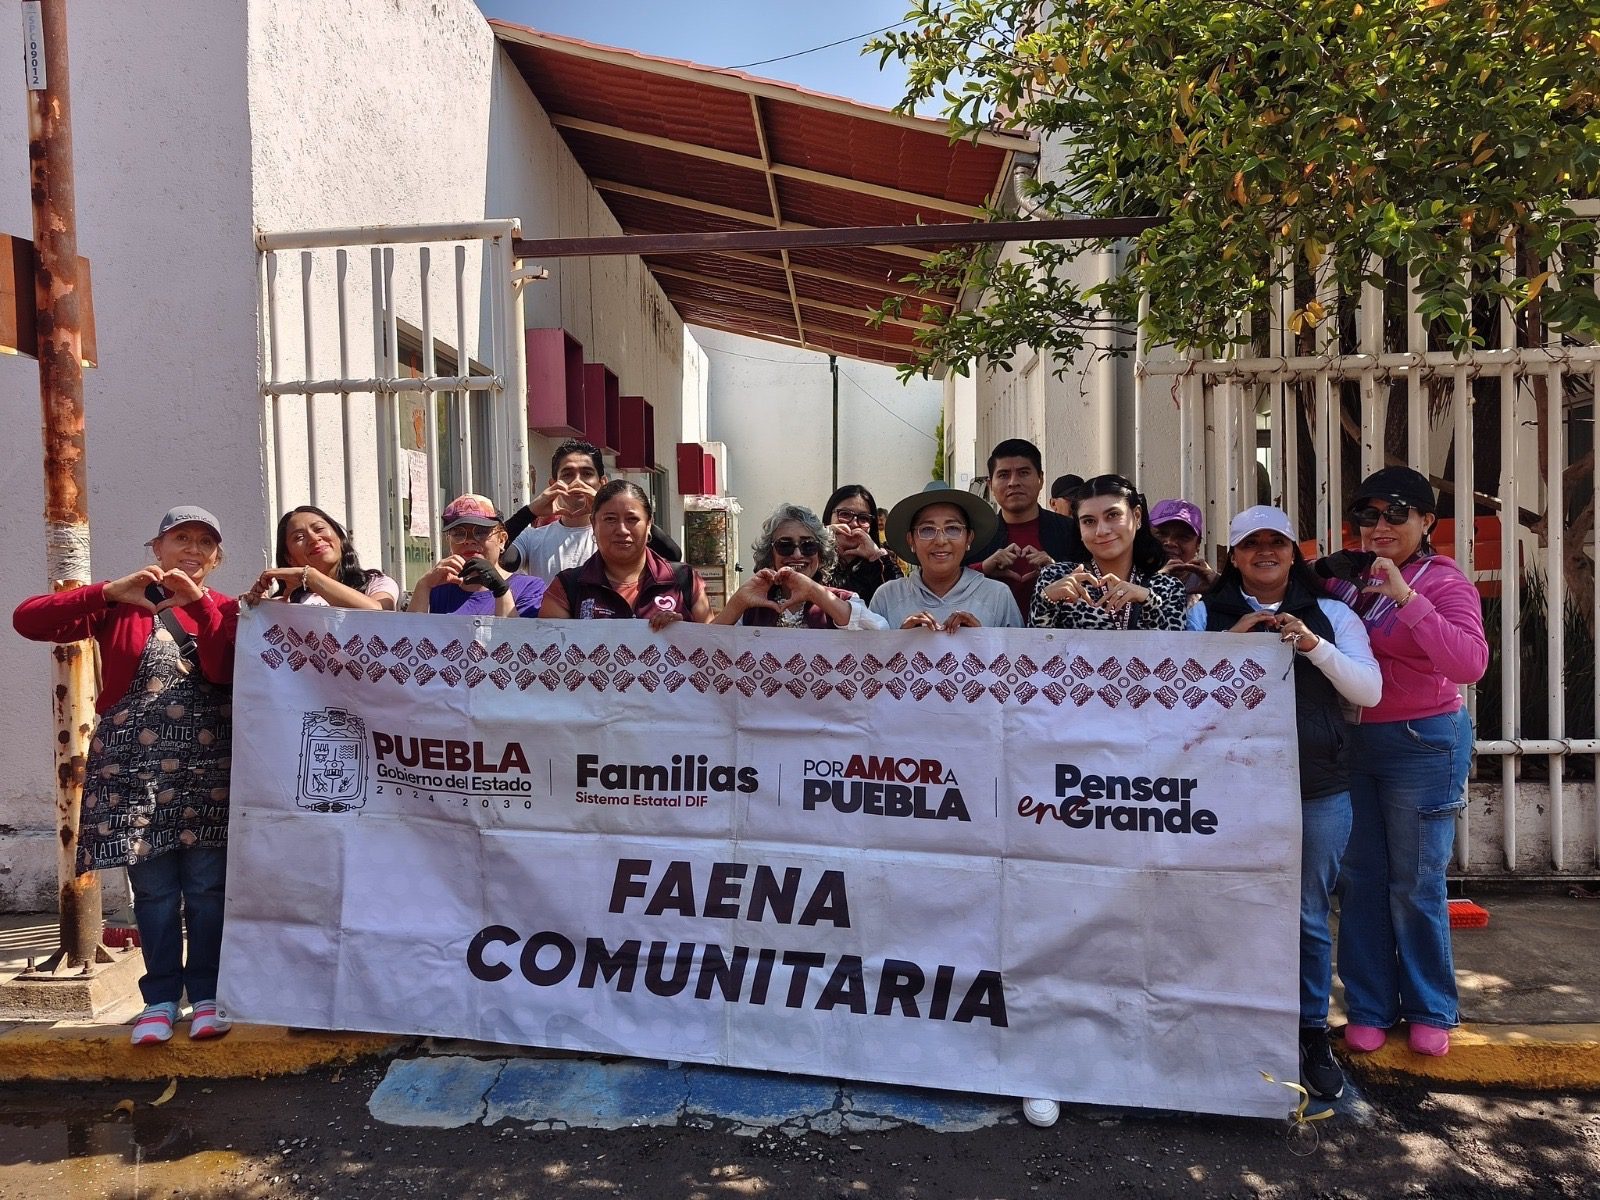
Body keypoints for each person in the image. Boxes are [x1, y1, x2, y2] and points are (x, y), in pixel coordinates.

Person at [13, 507, 238, 1046]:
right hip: (133, 773)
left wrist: (199, 605)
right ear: (156, 548)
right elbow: (29, 620)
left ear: (216, 558)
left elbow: (223, 668)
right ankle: (159, 1000)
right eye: (181, 538)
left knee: (208, 889)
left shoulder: (226, 608)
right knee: (154, 891)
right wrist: (109, 592)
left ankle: (207, 995)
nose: (193, 550)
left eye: (205, 542)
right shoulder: (121, 605)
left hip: (208, 771)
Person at [1186, 505, 1382, 1101]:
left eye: (1277, 542)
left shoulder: (1332, 613)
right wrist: (1230, 646)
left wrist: (1313, 645)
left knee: (1306, 914)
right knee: (1224, 905)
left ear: (1294, 552)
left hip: (1316, 786)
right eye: (1252, 544)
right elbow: (1178, 694)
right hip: (1227, 789)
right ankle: (1230, 1023)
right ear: (1233, 556)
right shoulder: (1203, 613)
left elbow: (1369, 689)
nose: (1265, 552)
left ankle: (1310, 1030)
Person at [1320, 466, 1488, 1058]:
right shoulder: (1348, 577)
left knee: (1415, 882)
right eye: (1368, 515)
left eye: (1395, 513)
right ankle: (1369, 1006)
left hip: (1422, 743)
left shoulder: (1443, 580)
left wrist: (1407, 599)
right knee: (1361, 879)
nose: (1380, 526)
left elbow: (1469, 664)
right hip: (1354, 743)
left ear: (1426, 521)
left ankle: (1429, 1007)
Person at [539, 480, 713, 629]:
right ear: (593, 523)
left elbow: (713, 645)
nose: (622, 530)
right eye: (610, 519)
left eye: (632, 519)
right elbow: (550, 650)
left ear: (649, 524)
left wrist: (685, 633)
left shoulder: (684, 580)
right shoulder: (567, 587)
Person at [501, 439, 680, 581]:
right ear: (553, 484)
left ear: (602, 483)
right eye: (567, 474)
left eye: (587, 474)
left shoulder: (618, 534)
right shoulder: (532, 538)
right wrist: (530, 511)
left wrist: (607, 504)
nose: (577, 482)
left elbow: (672, 555)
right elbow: (501, 558)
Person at [1028, 474, 1188, 632]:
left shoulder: (1168, 588)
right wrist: (1046, 601)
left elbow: (1173, 647)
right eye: (1089, 521)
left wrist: (1149, 601)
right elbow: (1036, 646)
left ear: (1137, 516)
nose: (1102, 530)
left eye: (1113, 515)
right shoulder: (1056, 578)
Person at [869, 482, 1023, 630]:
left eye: (953, 528)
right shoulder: (887, 597)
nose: (940, 541)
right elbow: (870, 648)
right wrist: (903, 640)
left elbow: (1019, 648)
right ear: (911, 540)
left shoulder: (997, 596)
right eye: (927, 530)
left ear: (969, 538)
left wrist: (980, 638)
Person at [715, 504, 887, 630]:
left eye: (808, 545)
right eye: (785, 545)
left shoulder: (843, 599)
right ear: (770, 554)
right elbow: (706, 647)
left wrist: (814, 592)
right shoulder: (752, 607)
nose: (797, 554)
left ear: (821, 555)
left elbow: (881, 633)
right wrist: (737, 603)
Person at [968, 439, 1086, 615]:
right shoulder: (974, 537)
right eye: (1003, 475)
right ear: (990, 485)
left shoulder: (1072, 532)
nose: (1013, 482)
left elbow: (1096, 581)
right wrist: (983, 568)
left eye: (1023, 473)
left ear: (1041, 479)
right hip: (991, 630)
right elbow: (948, 581)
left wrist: (1056, 570)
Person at [406, 494, 546, 617]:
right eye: (458, 534)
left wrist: (501, 590)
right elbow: (411, 635)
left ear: (502, 540)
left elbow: (516, 637)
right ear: (449, 541)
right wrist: (423, 585)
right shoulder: (437, 588)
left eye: (481, 532)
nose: (469, 541)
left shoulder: (529, 588)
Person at [243, 505, 399, 610]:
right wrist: (257, 609)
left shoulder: (376, 583)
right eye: (299, 537)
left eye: (318, 529)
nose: (313, 538)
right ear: (289, 558)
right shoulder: (286, 605)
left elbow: (379, 615)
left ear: (340, 539)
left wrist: (310, 576)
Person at [819, 484, 902, 603]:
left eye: (863, 518)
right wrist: (821, 538)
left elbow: (900, 600)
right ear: (829, 517)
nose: (854, 524)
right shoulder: (813, 557)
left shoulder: (880, 563)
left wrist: (876, 556)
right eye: (845, 514)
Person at [1150, 497, 1219, 601]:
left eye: (1183, 537)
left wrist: (1219, 589)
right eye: (1161, 534)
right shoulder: (1131, 578)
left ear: (1198, 545)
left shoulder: (1209, 585)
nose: (1170, 542)